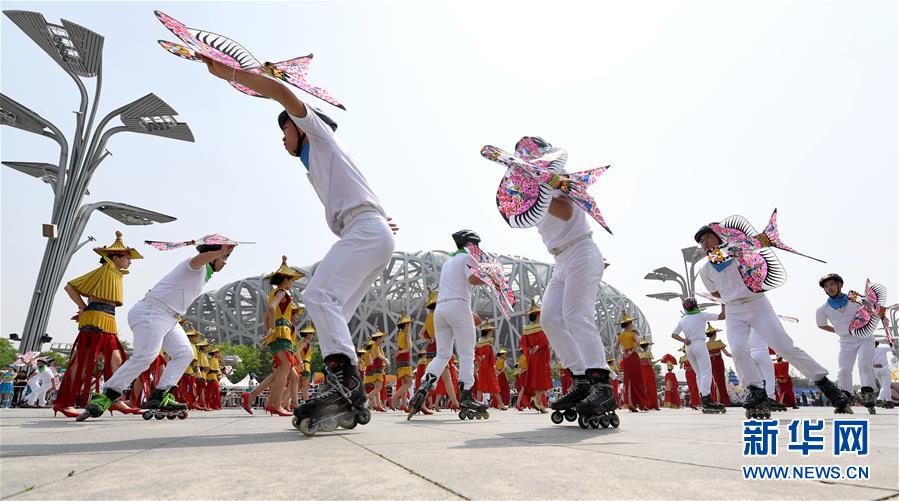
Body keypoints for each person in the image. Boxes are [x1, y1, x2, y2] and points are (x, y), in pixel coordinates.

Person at [198, 55, 397, 426]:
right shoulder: (321, 160)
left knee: (319, 295)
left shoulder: (320, 137)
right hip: (371, 231)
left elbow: (280, 91)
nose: (283, 139)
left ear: (302, 127)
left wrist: (228, 73)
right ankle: (350, 398)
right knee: (333, 313)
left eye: (285, 130)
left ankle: (345, 387)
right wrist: (380, 224)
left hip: (365, 230)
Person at [695, 224, 850, 413]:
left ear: (719, 236)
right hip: (734, 310)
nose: (705, 243)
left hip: (758, 304)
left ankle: (827, 385)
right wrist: (733, 295)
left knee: (784, 347)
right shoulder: (705, 271)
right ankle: (755, 389)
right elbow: (716, 293)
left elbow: (760, 254)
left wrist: (764, 240)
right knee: (737, 350)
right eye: (702, 242)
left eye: (708, 238)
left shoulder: (740, 250)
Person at [77, 241, 235, 421]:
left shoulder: (203, 273)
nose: (225, 262)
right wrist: (219, 250)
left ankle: (160, 395)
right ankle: (107, 395)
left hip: (169, 318)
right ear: (212, 254)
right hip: (152, 312)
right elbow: (198, 259)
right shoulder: (194, 265)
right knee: (145, 357)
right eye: (223, 257)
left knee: (184, 353)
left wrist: (220, 252)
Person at [408, 230, 487, 419]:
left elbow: (452, 290)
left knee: (443, 354)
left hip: (441, 310)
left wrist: (468, 312)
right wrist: (490, 278)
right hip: (459, 307)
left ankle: (425, 384)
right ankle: (467, 393)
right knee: (467, 353)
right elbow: (473, 279)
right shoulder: (468, 257)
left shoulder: (448, 262)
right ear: (471, 244)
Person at [815, 273, 877, 412]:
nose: (829, 288)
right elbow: (821, 324)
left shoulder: (855, 300)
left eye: (832, 284)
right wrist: (838, 331)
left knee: (864, 365)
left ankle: (868, 394)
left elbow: (872, 310)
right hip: (845, 341)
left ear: (840, 284)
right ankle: (845, 396)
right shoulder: (823, 309)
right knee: (844, 369)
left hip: (864, 338)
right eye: (826, 286)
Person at [521, 302, 553, 412]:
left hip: (532, 357)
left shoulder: (526, 329)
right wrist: (538, 347)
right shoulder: (540, 327)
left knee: (538, 379)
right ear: (537, 315)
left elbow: (524, 343)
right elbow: (543, 341)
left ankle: (537, 400)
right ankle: (538, 402)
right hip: (540, 357)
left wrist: (530, 349)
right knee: (540, 379)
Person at [616, 313, 647, 412]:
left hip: (625, 357)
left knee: (628, 380)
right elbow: (638, 342)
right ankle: (641, 403)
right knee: (637, 379)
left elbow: (615, 347)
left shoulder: (620, 335)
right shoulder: (632, 333)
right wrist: (631, 351)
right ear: (629, 324)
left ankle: (630, 403)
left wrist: (623, 353)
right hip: (633, 356)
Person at [390, 312, 414, 411]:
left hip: (400, 360)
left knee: (404, 383)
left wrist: (399, 352)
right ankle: (393, 398)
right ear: (405, 325)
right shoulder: (406, 335)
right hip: (404, 358)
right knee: (409, 383)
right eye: (408, 324)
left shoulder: (399, 334)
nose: (409, 326)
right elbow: (409, 347)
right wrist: (401, 352)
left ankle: (404, 405)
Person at [872, 341, 895, 408]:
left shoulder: (868, 350)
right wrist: (890, 341)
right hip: (883, 368)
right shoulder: (882, 347)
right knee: (886, 386)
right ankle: (880, 399)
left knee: (884, 386)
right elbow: (892, 347)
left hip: (874, 369)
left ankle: (889, 401)